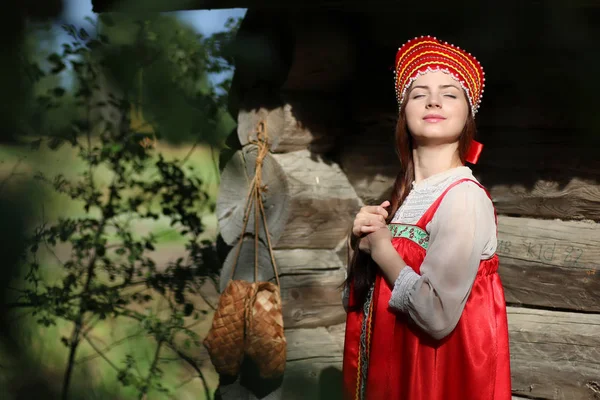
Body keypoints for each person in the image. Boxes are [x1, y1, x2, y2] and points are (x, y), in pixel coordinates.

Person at [342, 36, 512, 400]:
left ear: (468, 113)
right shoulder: (404, 198)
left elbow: (436, 318)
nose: (434, 100)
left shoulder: (463, 197)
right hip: (393, 373)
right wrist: (361, 247)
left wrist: (384, 250)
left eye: (450, 93)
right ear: (404, 111)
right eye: (419, 93)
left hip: (435, 381)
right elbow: (363, 303)